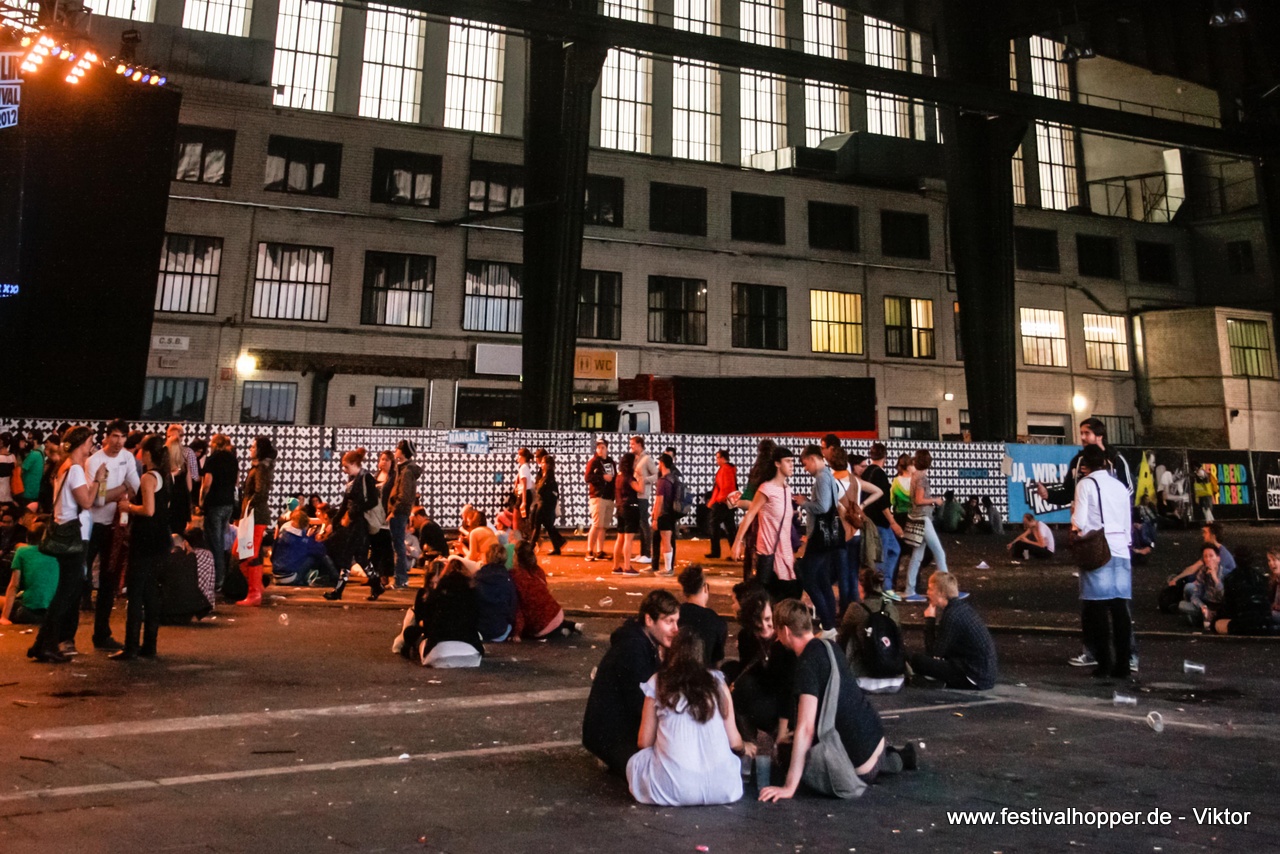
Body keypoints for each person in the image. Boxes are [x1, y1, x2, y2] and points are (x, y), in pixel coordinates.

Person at [760, 599, 913, 802]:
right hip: (876, 740)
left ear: (786, 631)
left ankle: (883, 764)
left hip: (859, 769)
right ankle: (892, 759)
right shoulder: (829, 645)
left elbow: (806, 728)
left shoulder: (806, 664)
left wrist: (789, 786)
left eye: (778, 632)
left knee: (788, 753)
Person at [626, 629, 745, 807]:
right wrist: (745, 747)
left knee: (636, 762)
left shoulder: (658, 682)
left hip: (674, 788)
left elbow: (644, 742)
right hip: (724, 788)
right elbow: (734, 740)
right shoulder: (718, 682)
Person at [582, 589, 681, 774]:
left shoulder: (643, 642)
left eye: (676, 621)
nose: (675, 629)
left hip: (614, 730)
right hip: (611, 735)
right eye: (669, 622)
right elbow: (641, 702)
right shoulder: (633, 650)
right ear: (649, 620)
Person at [30, 427, 97, 663]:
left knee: (65, 592)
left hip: (63, 530)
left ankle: (41, 643)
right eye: (90, 441)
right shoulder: (76, 469)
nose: (92, 446)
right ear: (82, 443)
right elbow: (87, 502)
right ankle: (46, 644)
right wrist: (99, 480)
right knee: (66, 594)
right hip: (72, 536)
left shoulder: (65, 467)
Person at [1070, 444, 1134, 679]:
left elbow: (1080, 521)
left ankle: (1104, 663)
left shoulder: (1085, 485)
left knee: (1096, 609)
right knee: (1120, 610)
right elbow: (1128, 518)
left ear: (1085, 465)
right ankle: (1124, 664)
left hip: (1099, 549)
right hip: (1121, 549)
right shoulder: (1119, 486)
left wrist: (1075, 528)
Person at [112, 434, 172, 660]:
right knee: (150, 593)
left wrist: (128, 506)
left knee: (136, 593)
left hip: (146, 541)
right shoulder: (166, 477)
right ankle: (149, 645)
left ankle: (131, 646)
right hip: (160, 541)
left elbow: (149, 510)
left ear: (146, 453)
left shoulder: (148, 478)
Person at [85, 419, 141, 651]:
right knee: (81, 577)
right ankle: (66, 634)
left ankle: (102, 633)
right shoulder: (95, 461)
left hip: (114, 526)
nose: (119, 442)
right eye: (115, 436)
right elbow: (96, 500)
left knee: (109, 581)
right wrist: (122, 490)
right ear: (106, 437)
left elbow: (136, 488)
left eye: (123, 437)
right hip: (92, 525)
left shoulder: (127, 458)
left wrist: (115, 493)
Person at [732, 447, 802, 602]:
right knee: (768, 597)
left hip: (786, 552)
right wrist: (737, 542)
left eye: (793, 462)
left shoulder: (787, 489)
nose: (792, 465)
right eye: (788, 461)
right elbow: (750, 514)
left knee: (789, 594)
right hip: (768, 551)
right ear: (777, 464)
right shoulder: (766, 488)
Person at [909, 571, 998, 689]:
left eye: (931, 589)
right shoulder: (962, 608)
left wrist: (930, 620)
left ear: (940, 593)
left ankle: (938, 682)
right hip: (983, 674)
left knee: (917, 660)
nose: (927, 593)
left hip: (973, 677)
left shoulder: (952, 616)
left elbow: (934, 652)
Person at [400, 559, 483, 667]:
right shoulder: (472, 593)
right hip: (472, 649)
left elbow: (429, 624)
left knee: (413, 635)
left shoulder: (437, 595)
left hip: (439, 647)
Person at [795, 445, 839, 633]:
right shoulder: (829, 475)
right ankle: (830, 624)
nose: (806, 469)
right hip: (829, 536)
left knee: (808, 578)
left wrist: (803, 503)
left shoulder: (821, 477)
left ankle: (828, 623)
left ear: (813, 459)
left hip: (819, 538)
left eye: (805, 464)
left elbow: (822, 506)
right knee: (822, 580)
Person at [837, 567, 904, 691]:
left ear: (861, 586)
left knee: (851, 634)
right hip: (894, 676)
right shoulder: (891, 608)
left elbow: (841, 639)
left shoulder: (856, 608)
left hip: (864, 678)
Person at [835, 454, 882, 617]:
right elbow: (878, 491)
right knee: (853, 573)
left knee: (843, 575)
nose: (863, 469)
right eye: (861, 465)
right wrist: (862, 505)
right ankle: (855, 608)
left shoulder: (833, 482)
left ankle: (844, 611)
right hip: (857, 531)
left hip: (841, 533)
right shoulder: (856, 482)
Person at [235, 435, 276, 608]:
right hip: (252, 516)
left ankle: (255, 593)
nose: (250, 449)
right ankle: (256, 588)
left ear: (259, 450)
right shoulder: (260, 468)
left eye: (253, 447)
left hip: (254, 517)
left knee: (248, 553)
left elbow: (260, 493)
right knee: (243, 552)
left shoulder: (260, 469)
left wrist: (248, 506)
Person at [510, 540, 580, 639]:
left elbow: (519, 609)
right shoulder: (538, 570)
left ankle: (560, 631)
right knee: (546, 615)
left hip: (541, 625)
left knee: (531, 630)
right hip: (556, 612)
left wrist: (517, 633)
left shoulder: (515, 576)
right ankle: (568, 626)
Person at [903, 450, 947, 602]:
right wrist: (935, 500)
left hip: (915, 517)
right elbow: (920, 500)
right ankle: (946, 590)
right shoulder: (922, 478)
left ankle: (909, 590)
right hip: (924, 518)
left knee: (917, 555)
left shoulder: (915, 476)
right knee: (939, 553)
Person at [731, 439, 778, 582]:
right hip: (774, 523)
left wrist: (737, 540)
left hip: (757, 523)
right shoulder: (777, 473)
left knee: (753, 557)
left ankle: (752, 588)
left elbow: (747, 503)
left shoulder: (756, 472)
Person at [861, 444, 902, 599]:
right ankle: (882, 588)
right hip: (880, 522)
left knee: (893, 550)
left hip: (871, 519)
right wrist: (893, 522)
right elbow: (883, 503)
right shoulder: (880, 475)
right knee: (883, 555)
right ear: (885, 456)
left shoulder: (867, 472)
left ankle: (886, 586)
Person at [200, 433, 238, 593]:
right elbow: (236, 481)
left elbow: (207, 483)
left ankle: (216, 579)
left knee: (214, 542)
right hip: (228, 504)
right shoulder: (233, 460)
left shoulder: (212, 459)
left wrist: (202, 500)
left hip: (215, 504)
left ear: (214, 444)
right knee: (222, 541)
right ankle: (224, 576)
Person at [1, 522, 58, 625]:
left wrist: (4, 617)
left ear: (27, 538)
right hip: (54, 612)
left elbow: (14, 586)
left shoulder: (22, 552)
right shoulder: (58, 553)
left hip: (28, 611)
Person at [677, 564, 727, 666]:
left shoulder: (674, 616)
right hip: (704, 676)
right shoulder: (716, 621)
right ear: (705, 588)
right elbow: (717, 662)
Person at [272, 509, 337, 586]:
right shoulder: (301, 539)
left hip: (276, 576)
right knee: (319, 556)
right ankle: (335, 578)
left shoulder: (283, 533)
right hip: (290, 577)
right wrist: (314, 538)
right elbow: (320, 550)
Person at [388, 440, 421, 589]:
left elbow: (405, 495)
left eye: (397, 448)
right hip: (400, 512)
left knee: (398, 546)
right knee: (398, 545)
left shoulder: (406, 471)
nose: (395, 450)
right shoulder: (403, 469)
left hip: (399, 513)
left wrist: (393, 511)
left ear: (402, 452)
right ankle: (400, 579)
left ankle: (400, 579)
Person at [474, 542, 518, 642]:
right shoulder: (508, 578)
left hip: (480, 629)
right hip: (501, 631)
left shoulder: (477, 577)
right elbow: (513, 605)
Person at [1178, 543, 1226, 630]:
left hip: (1222, 607)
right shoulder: (1203, 572)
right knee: (1182, 605)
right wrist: (1203, 607)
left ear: (1218, 558)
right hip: (1207, 604)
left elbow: (1223, 595)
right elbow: (1195, 595)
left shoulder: (1225, 573)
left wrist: (1215, 578)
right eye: (1205, 556)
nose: (1208, 559)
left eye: (1211, 556)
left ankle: (1202, 619)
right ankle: (1204, 617)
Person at [611, 453, 643, 577]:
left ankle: (615, 566)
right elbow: (640, 489)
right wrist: (641, 477)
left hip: (619, 508)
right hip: (630, 507)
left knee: (620, 538)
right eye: (634, 462)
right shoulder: (629, 477)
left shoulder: (618, 476)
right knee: (629, 539)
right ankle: (627, 566)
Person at [584, 440, 616, 562]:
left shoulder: (611, 462)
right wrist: (602, 477)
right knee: (596, 524)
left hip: (609, 496)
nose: (600, 450)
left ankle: (599, 550)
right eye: (598, 448)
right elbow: (587, 477)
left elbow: (614, 477)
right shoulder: (593, 462)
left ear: (607, 448)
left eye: (603, 447)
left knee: (604, 526)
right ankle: (589, 550)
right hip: (598, 496)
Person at [651, 453, 681, 576]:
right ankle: (668, 567)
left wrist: (655, 518)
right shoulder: (673, 478)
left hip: (664, 514)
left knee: (666, 541)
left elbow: (659, 501)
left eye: (659, 463)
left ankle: (668, 569)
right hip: (672, 513)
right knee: (667, 540)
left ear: (662, 463)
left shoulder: (663, 481)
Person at [530, 453, 566, 555]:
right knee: (548, 527)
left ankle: (530, 547)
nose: (540, 464)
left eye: (542, 462)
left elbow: (540, 490)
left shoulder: (548, 479)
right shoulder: (544, 476)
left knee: (537, 526)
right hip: (543, 504)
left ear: (547, 464)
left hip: (544, 505)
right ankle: (558, 545)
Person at [705, 450, 738, 560]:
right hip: (728, 502)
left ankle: (716, 551)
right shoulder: (730, 469)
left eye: (717, 457)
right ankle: (734, 553)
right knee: (730, 528)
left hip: (723, 502)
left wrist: (716, 501)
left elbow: (724, 488)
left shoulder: (725, 469)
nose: (716, 460)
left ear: (722, 458)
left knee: (714, 525)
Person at [631, 436, 658, 566]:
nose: (631, 447)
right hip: (635, 494)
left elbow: (657, 475)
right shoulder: (636, 459)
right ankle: (642, 553)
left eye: (633, 444)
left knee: (644, 523)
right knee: (640, 524)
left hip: (643, 495)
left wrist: (644, 480)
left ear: (640, 444)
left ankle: (647, 554)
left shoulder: (647, 459)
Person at [515, 447, 536, 533]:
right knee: (523, 518)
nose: (518, 457)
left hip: (524, 495)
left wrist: (523, 501)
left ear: (523, 457)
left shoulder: (523, 468)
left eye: (519, 455)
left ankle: (525, 537)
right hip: (525, 494)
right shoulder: (525, 467)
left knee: (519, 518)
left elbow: (524, 484)